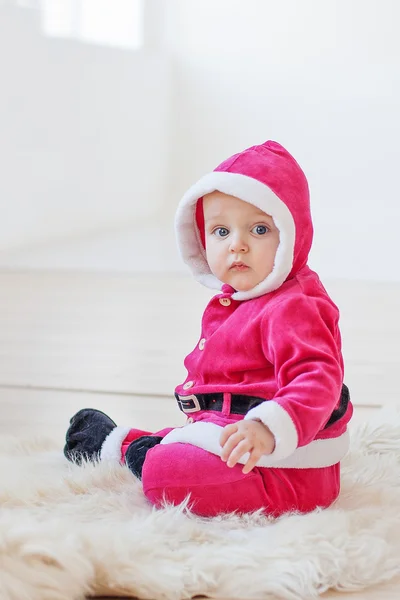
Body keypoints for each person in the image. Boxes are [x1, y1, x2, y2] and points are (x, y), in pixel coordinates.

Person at [64, 140, 353, 518]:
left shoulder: (293, 306)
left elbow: (318, 378)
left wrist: (268, 427)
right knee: (182, 446)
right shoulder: (243, 298)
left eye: (260, 229)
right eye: (221, 232)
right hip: (237, 433)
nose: (238, 246)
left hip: (287, 466)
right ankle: (125, 444)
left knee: (168, 475)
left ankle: (141, 455)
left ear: (292, 235)